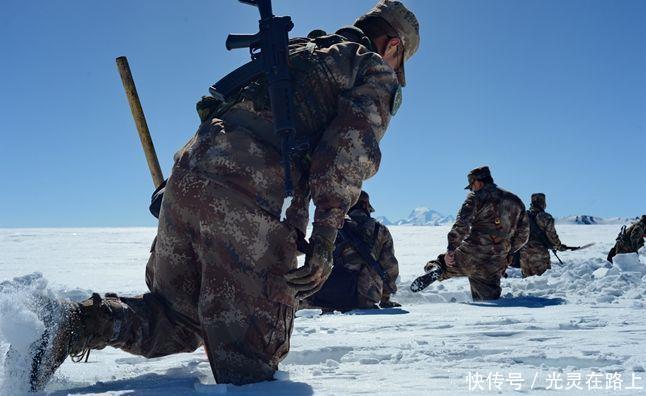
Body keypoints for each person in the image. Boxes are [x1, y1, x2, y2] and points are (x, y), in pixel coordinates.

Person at [21, 0, 420, 390]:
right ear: (393, 46)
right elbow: (347, 154)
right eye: (398, 64)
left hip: (184, 183)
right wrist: (325, 239)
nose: (394, 70)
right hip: (247, 201)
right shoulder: (366, 66)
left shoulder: (296, 52)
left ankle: (77, 322)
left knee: (177, 319)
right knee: (251, 365)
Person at [411, 166, 529, 301]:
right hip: (496, 259)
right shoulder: (516, 201)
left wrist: (451, 249)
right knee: (487, 293)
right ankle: (488, 312)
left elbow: (462, 224)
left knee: (443, 263)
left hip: (472, 253)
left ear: (478, 182)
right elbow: (524, 234)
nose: (471, 189)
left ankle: (437, 270)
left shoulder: (476, 197)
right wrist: (507, 251)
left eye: (472, 185)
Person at [301, 191, 400, 312]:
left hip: (330, 297)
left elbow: (317, 259)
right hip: (365, 298)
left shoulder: (333, 227)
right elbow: (390, 267)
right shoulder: (380, 230)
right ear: (365, 206)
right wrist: (385, 298)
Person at [518, 193, 568, 277]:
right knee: (541, 282)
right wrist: (558, 246)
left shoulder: (523, 217)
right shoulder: (545, 217)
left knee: (527, 284)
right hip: (539, 254)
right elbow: (552, 235)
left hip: (524, 254)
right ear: (543, 203)